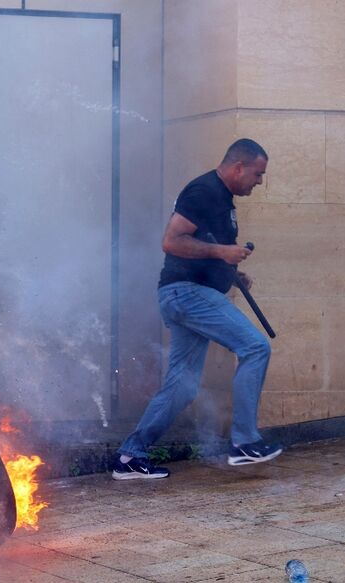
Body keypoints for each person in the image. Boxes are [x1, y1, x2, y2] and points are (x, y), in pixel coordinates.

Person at [113, 139, 281, 480]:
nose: (259, 182)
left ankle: (130, 457)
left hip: (187, 295)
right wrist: (222, 253)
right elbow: (171, 241)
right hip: (187, 293)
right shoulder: (204, 190)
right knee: (255, 346)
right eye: (257, 174)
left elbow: (203, 247)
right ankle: (245, 443)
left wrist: (231, 271)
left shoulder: (221, 197)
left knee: (183, 386)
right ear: (238, 167)